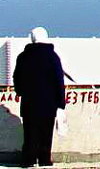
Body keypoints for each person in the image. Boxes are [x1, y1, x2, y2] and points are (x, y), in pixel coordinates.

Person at [12, 27, 66, 168]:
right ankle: (44, 160)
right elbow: (59, 81)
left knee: (30, 134)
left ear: (33, 38)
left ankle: (28, 160)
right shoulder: (53, 57)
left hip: (29, 103)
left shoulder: (23, 57)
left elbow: (16, 77)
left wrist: (20, 92)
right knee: (46, 134)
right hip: (49, 104)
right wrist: (61, 103)